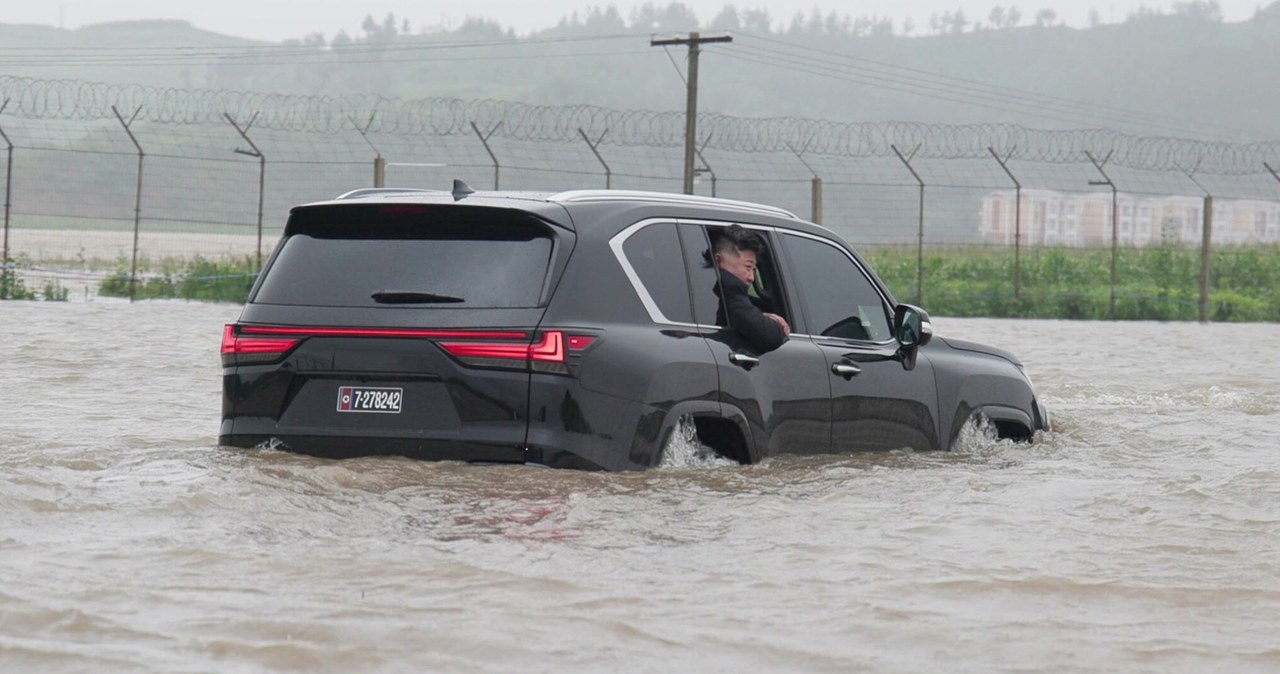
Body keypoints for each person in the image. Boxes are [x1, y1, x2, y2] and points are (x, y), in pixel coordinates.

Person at [712, 225, 790, 353]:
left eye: (754, 270)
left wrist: (760, 316)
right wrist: (777, 328)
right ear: (719, 261)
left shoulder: (711, 292)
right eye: (748, 268)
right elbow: (770, 337)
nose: (752, 278)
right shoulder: (730, 290)